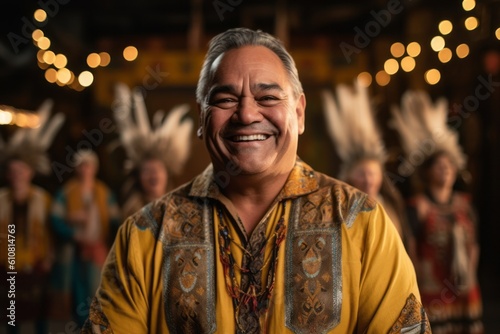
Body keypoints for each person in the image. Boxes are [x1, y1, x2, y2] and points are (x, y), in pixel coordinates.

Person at [82, 27, 430, 333]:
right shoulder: (145, 234)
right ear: (202, 118)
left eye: (267, 97)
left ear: (299, 112)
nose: (247, 114)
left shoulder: (362, 222)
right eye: (226, 99)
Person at [391, 90, 483, 333]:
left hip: (463, 288)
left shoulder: (465, 204)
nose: (446, 171)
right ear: (428, 172)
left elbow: (474, 243)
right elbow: (410, 249)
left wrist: (469, 273)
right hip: (432, 290)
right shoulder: (418, 207)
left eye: (449, 166)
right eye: (440, 166)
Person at [321, 82, 416, 259]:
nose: (368, 180)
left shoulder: (392, 205)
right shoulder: (341, 210)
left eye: (372, 174)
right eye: (361, 174)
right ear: (348, 176)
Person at [0, 99, 65, 334]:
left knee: (39, 312)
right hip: (7, 265)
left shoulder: (42, 199)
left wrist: (49, 258)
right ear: (8, 174)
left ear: (30, 172)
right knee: (11, 314)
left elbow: (51, 231)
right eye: (13, 171)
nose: (18, 175)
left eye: (22, 170)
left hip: (36, 264)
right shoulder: (1, 199)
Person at [50, 149, 121, 329]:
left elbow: (116, 220)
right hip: (74, 250)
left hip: (97, 249)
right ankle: (78, 325)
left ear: (94, 168)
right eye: (81, 165)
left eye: (88, 165)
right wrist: (71, 226)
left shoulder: (104, 193)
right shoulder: (67, 192)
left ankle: (95, 326)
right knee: (76, 291)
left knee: (96, 289)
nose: (85, 169)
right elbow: (55, 218)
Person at [111, 83, 193, 218]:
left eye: (157, 169)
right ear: (139, 178)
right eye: (147, 171)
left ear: (167, 175)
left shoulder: (180, 208)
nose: (153, 174)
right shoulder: (131, 212)